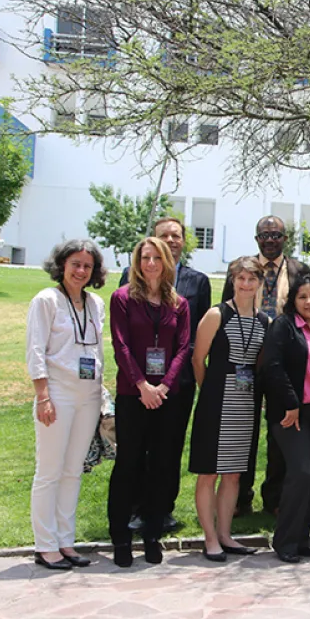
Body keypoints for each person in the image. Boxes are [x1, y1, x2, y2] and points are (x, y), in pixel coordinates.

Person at [118, 216, 211, 533]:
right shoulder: (129, 280)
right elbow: (123, 335)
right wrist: (142, 383)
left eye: (176, 235)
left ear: (184, 240)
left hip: (178, 382)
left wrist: (175, 379)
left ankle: (162, 508)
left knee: (168, 449)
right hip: (138, 383)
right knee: (137, 447)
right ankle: (134, 508)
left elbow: (197, 337)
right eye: (164, 236)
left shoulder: (197, 282)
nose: (171, 240)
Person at [108, 237, 191, 567]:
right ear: (137, 262)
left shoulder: (179, 303)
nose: (151, 264)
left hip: (165, 398)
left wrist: (164, 387)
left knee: (160, 465)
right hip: (132, 395)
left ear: (167, 262)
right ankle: (120, 537)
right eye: (145, 257)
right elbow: (121, 346)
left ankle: (152, 534)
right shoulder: (123, 298)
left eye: (158, 257)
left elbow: (184, 348)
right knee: (128, 464)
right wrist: (142, 385)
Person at [26, 239, 108, 570]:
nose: (81, 270)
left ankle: (65, 541)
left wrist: (102, 395)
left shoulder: (96, 304)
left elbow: (98, 352)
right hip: (56, 393)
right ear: (62, 265)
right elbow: (35, 350)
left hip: (88, 395)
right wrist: (42, 395)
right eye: (75, 263)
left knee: (74, 470)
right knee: (49, 471)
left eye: (87, 266)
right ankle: (45, 545)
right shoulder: (46, 301)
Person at [224, 215, 310, 517]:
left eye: (276, 234)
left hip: (284, 366)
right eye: (265, 235)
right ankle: (240, 498)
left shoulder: (301, 270)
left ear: (285, 238)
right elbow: (228, 311)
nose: (270, 239)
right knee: (244, 433)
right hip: (246, 362)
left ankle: (274, 499)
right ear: (256, 239)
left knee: (280, 433)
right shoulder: (241, 269)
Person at [188, 258, 270, 562]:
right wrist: (207, 392)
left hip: (246, 405)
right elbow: (198, 360)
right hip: (215, 402)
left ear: (260, 282)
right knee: (208, 473)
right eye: (241, 278)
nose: (246, 284)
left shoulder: (264, 322)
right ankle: (209, 538)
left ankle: (225, 534)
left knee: (233, 474)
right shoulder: (216, 315)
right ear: (232, 281)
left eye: (252, 279)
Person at [261, 275, 310, 563]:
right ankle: (284, 541)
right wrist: (291, 403)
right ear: (293, 301)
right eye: (302, 297)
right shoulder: (283, 327)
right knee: (302, 472)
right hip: (290, 413)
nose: (309, 301)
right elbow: (273, 366)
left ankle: (301, 540)